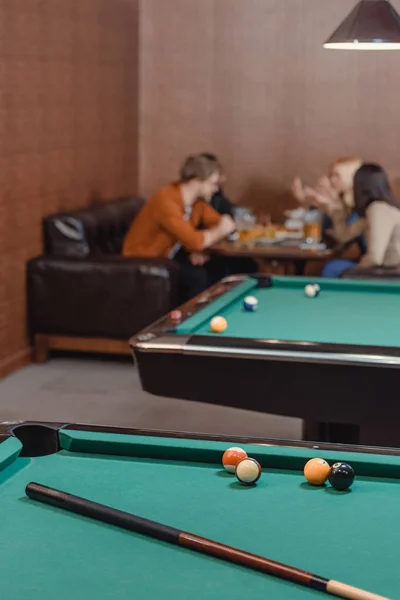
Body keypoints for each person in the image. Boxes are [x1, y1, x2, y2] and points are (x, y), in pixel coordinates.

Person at [122, 154, 236, 301]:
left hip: (169, 255)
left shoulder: (197, 203)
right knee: (196, 276)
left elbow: (219, 222)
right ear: (197, 181)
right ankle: (190, 319)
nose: (216, 190)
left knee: (219, 265)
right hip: (144, 261)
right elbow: (197, 240)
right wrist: (218, 232)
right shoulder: (166, 201)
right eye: (212, 184)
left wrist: (200, 248)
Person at [292, 156, 367, 278]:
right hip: (366, 260)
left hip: (379, 263)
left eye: (337, 176)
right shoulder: (345, 204)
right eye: (331, 175)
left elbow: (343, 239)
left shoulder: (360, 206)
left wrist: (330, 205)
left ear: (352, 178)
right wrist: (316, 205)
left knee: (330, 268)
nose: (331, 180)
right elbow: (327, 235)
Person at [352, 163, 400, 268]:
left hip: (392, 274)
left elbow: (375, 258)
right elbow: (345, 235)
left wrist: (354, 271)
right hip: (391, 271)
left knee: (333, 267)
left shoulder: (378, 209)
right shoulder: (386, 208)